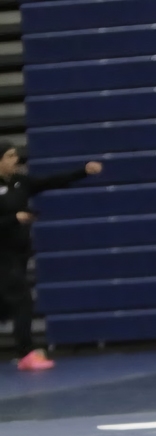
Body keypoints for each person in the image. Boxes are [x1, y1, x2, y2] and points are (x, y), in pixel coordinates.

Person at [0, 141, 103, 370]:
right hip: (2, 257)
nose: (15, 160)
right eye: (9, 156)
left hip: (19, 254)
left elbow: (50, 181)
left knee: (7, 307)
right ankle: (26, 354)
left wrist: (82, 171)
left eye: (15, 155)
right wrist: (13, 219)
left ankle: (25, 350)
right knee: (22, 303)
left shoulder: (20, 182)